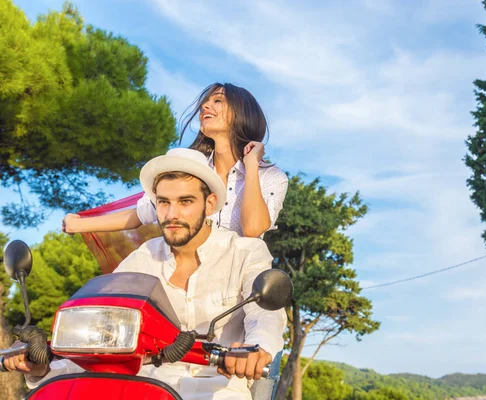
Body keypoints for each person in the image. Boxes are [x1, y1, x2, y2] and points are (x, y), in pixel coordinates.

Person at [4, 148, 287, 400]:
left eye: (185, 202)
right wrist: (43, 365)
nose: (172, 214)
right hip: (142, 386)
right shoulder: (140, 260)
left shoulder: (245, 252)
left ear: (209, 204)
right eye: (164, 202)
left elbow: (266, 316)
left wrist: (256, 348)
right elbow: (103, 335)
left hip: (217, 387)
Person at [62, 83, 288, 238]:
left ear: (243, 113)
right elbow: (138, 216)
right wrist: (78, 224)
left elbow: (253, 229)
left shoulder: (270, 177)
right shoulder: (188, 168)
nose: (205, 107)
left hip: (243, 289)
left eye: (218, 101)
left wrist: (250, 165)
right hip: (189, 282)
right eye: (205, 103)